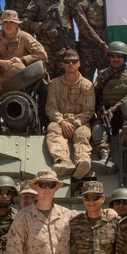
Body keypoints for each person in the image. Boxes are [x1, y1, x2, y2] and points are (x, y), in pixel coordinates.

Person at [45, 49, 95, 180]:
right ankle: (63, 161)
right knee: (52, 130)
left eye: (74, 61)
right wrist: (62, 122)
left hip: (80, 122)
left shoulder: (87, 85)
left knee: (83, 135)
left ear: (79, 63)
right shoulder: (54, 84)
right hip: (60, 121)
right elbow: (50, 108)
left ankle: (82, 162)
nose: (70, 64)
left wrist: (75, 123)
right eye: (67, 62)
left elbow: (89, 111)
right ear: (62, 64)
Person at [92, 42, 127, 164]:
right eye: (113, 56)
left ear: (124, 58)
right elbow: (95, 95)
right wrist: (101, 111)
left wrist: (113, 109)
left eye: (119, 56)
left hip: (126, 115)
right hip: (107, 114)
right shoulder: (102, 75)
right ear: (108, 57)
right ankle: (104, 156)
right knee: (97, 128)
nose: (115, 59)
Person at [20, 0, 76, 77]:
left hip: (63, 51)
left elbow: (71, 28)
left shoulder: (66, 4)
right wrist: (42, 27)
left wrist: (71, 48)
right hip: (44, 51)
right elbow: (24, 23)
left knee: (63, 81)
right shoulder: (37, 2)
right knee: (44, 81)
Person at [0, 9, 48, 81]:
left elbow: (42, 54)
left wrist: (22, 59)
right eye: (5, 22)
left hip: (17, 77)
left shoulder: (25, 37)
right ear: (1, 24)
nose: (8, 25)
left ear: (16, 24)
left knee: (18, 67)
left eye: (12, 22)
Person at [68, 0, 108, 80]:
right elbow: (84, 27)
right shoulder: (77, 4)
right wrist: (102, 44)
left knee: (105, 79)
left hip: (103, 48)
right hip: (87, 49)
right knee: (86, 81)